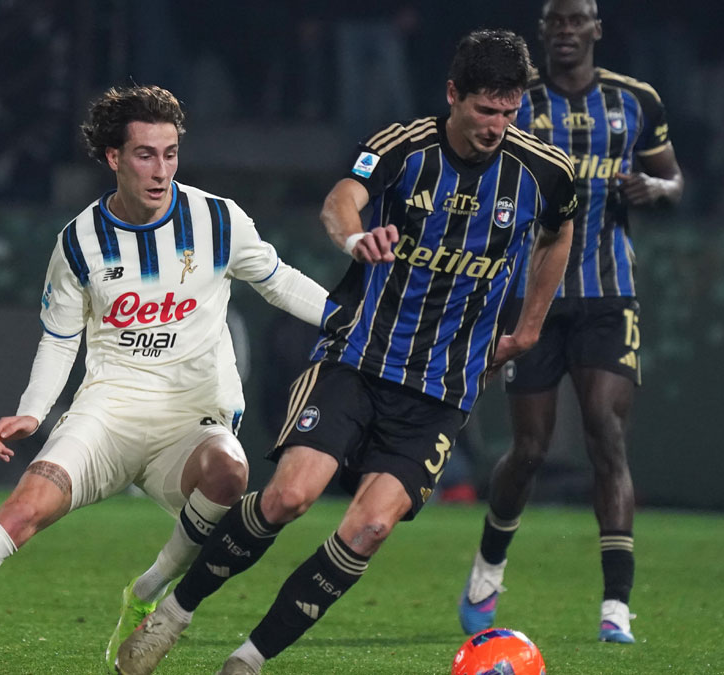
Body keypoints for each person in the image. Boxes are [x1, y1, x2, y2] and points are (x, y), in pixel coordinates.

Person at [116, 29, 578, 675]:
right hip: (358, 358)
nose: (496, 126)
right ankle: (174, 612)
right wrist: (355, 237)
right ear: (453, 94)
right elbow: (341, 200)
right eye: (484, 110)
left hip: (442, 389)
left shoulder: (544, 172)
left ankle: (247, 661)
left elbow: (559, 232)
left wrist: (529, 327)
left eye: (509, 111)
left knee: (369, 528)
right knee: (289, 497)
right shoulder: (404, 147)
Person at [0, 84, 329, 675]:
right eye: (145, 155)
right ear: (114, 157)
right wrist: (33, 410)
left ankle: (151, 587)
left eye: (170, 154)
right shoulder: (79, 241)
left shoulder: (218, 219)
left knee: (230, 470)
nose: (160, 170)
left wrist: (351, 320)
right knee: (22, 512)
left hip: (192, 419)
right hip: (107, 415)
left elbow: (280, 281)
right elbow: (60, 339)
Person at [457, 0, 684, 645]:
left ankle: (616, 607)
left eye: (576, 20)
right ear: (543, 32)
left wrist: (655, 189)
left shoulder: (635, 101)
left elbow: (674, 180)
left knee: (605, 432)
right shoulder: (516, 103)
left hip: (609, 295)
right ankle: (489, 564)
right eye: (555, 21)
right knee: (529, 449)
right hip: (531, 297)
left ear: (595, 30)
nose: (565, 30)